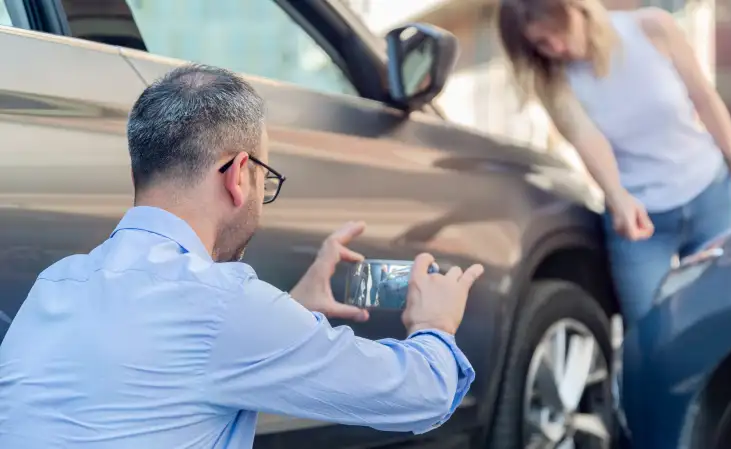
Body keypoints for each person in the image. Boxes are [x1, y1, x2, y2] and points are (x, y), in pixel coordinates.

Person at [0, 64, 484, 449]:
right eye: (264, 180)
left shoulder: (56, 284)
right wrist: (434, 326)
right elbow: (420, 395)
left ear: (138, 175)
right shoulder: (222, 303)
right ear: (237, 174)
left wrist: (295, 311)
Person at [497, 0, 731, 322]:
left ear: (579, 9)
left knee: (726, 313)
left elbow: (704, 97)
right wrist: (617, 196)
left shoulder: (652, 29)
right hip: (639, 220)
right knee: (647, 331)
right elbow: (588, 141)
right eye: (540, 43)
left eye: (558, 30)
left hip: (709, 195)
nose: (556, 46)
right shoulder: (554, 82)